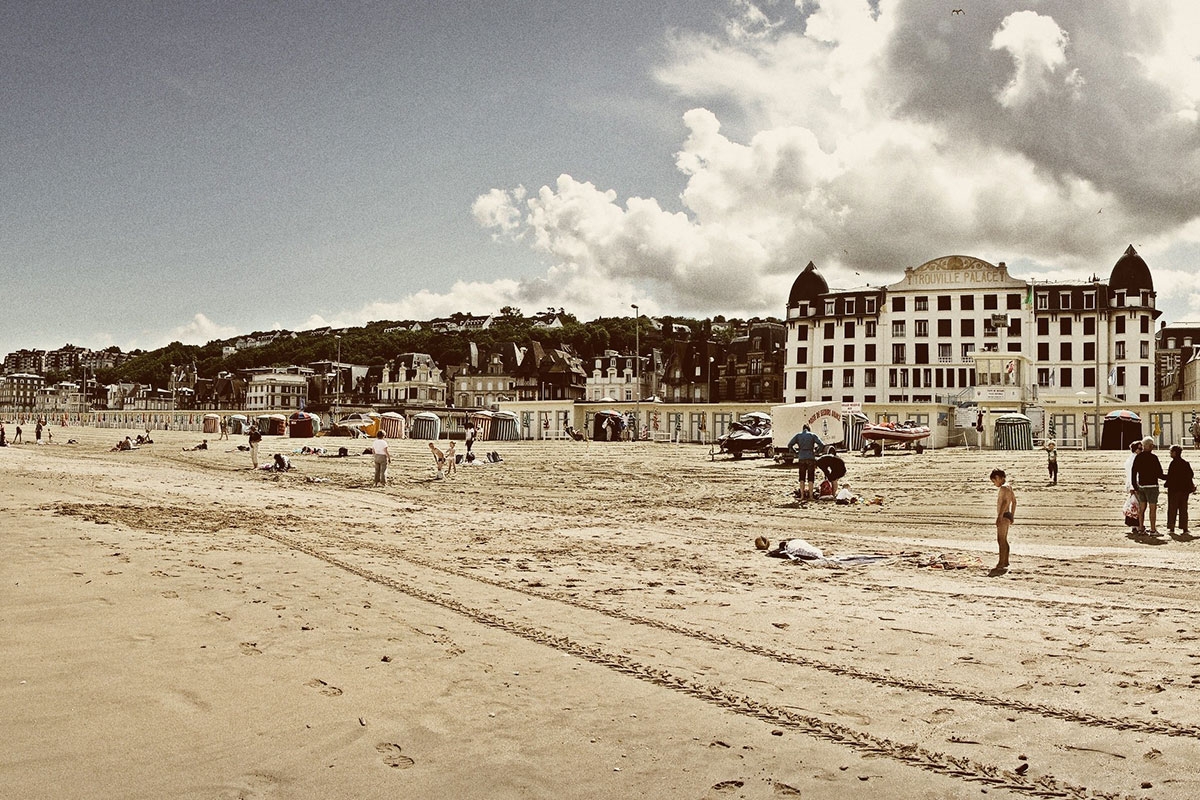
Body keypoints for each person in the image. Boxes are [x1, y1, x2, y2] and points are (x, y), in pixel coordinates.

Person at [1132, 436, 1165, 535]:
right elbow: (1160, 474)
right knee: (1152, 509)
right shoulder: (1154, 458)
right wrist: (1171, 477)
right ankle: (1153, 529)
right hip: (1152, 486)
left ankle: (1141, 528)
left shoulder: (1138, 457)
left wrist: (1135, 486)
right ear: (1150, 446)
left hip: (1141, 486)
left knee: (1142, 509)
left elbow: (1133, 472)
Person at [787, 424, 825, 501]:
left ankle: (802, 496)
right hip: (811, 457)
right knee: (811, 478)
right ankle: (811, 496)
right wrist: (816, 451)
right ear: (809, 429)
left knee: (802, 478)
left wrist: (795, 452)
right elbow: (822, 444)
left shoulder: (798, 435)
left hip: (801, 457)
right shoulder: (812, 435)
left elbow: (789, 445)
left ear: (803, 429)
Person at [990, 468, 1017, 573]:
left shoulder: (1003, 488)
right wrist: (1012, 515)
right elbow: (1014, 502)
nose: (994, 484)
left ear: (998, 478)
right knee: (1004, 540)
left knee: (1001, 540)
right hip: (1008, 515)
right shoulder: (1009, 487)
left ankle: (1001, 562)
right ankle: (1005, 561)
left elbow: (1005, 502)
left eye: (994, 481)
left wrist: (1000, 516)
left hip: (1004, 515)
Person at [1164, 445, 1194, 535]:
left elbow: (1170, 477)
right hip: (1184, 490)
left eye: (1171, 452)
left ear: (1174, 453)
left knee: (1172, 508)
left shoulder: (1173, 464)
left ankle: (1171, 527)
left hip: (1174, 490)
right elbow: (1190, 475)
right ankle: (1184, 528)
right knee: (1183, 509)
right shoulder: (1185, 463)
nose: (1170, 453)